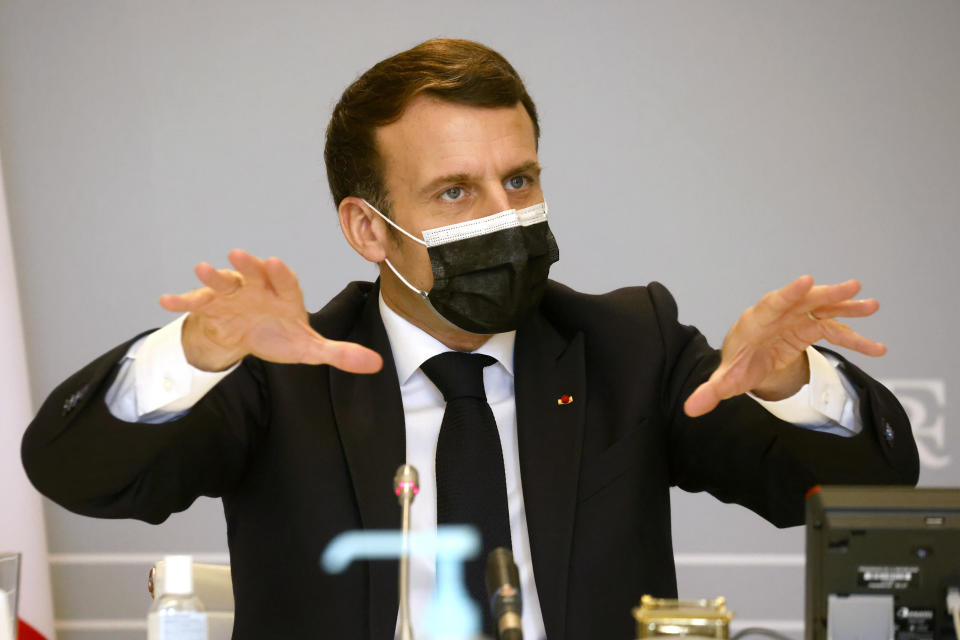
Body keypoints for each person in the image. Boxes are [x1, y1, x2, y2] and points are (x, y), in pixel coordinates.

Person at [22, 39, 918, 639]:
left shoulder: (627, 345)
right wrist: (198, 351)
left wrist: (791, 381)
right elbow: (75, 473)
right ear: (369, 230)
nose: (505, 216)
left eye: (519, 179)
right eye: (456, 192)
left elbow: (860, 497)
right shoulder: (289, 370)